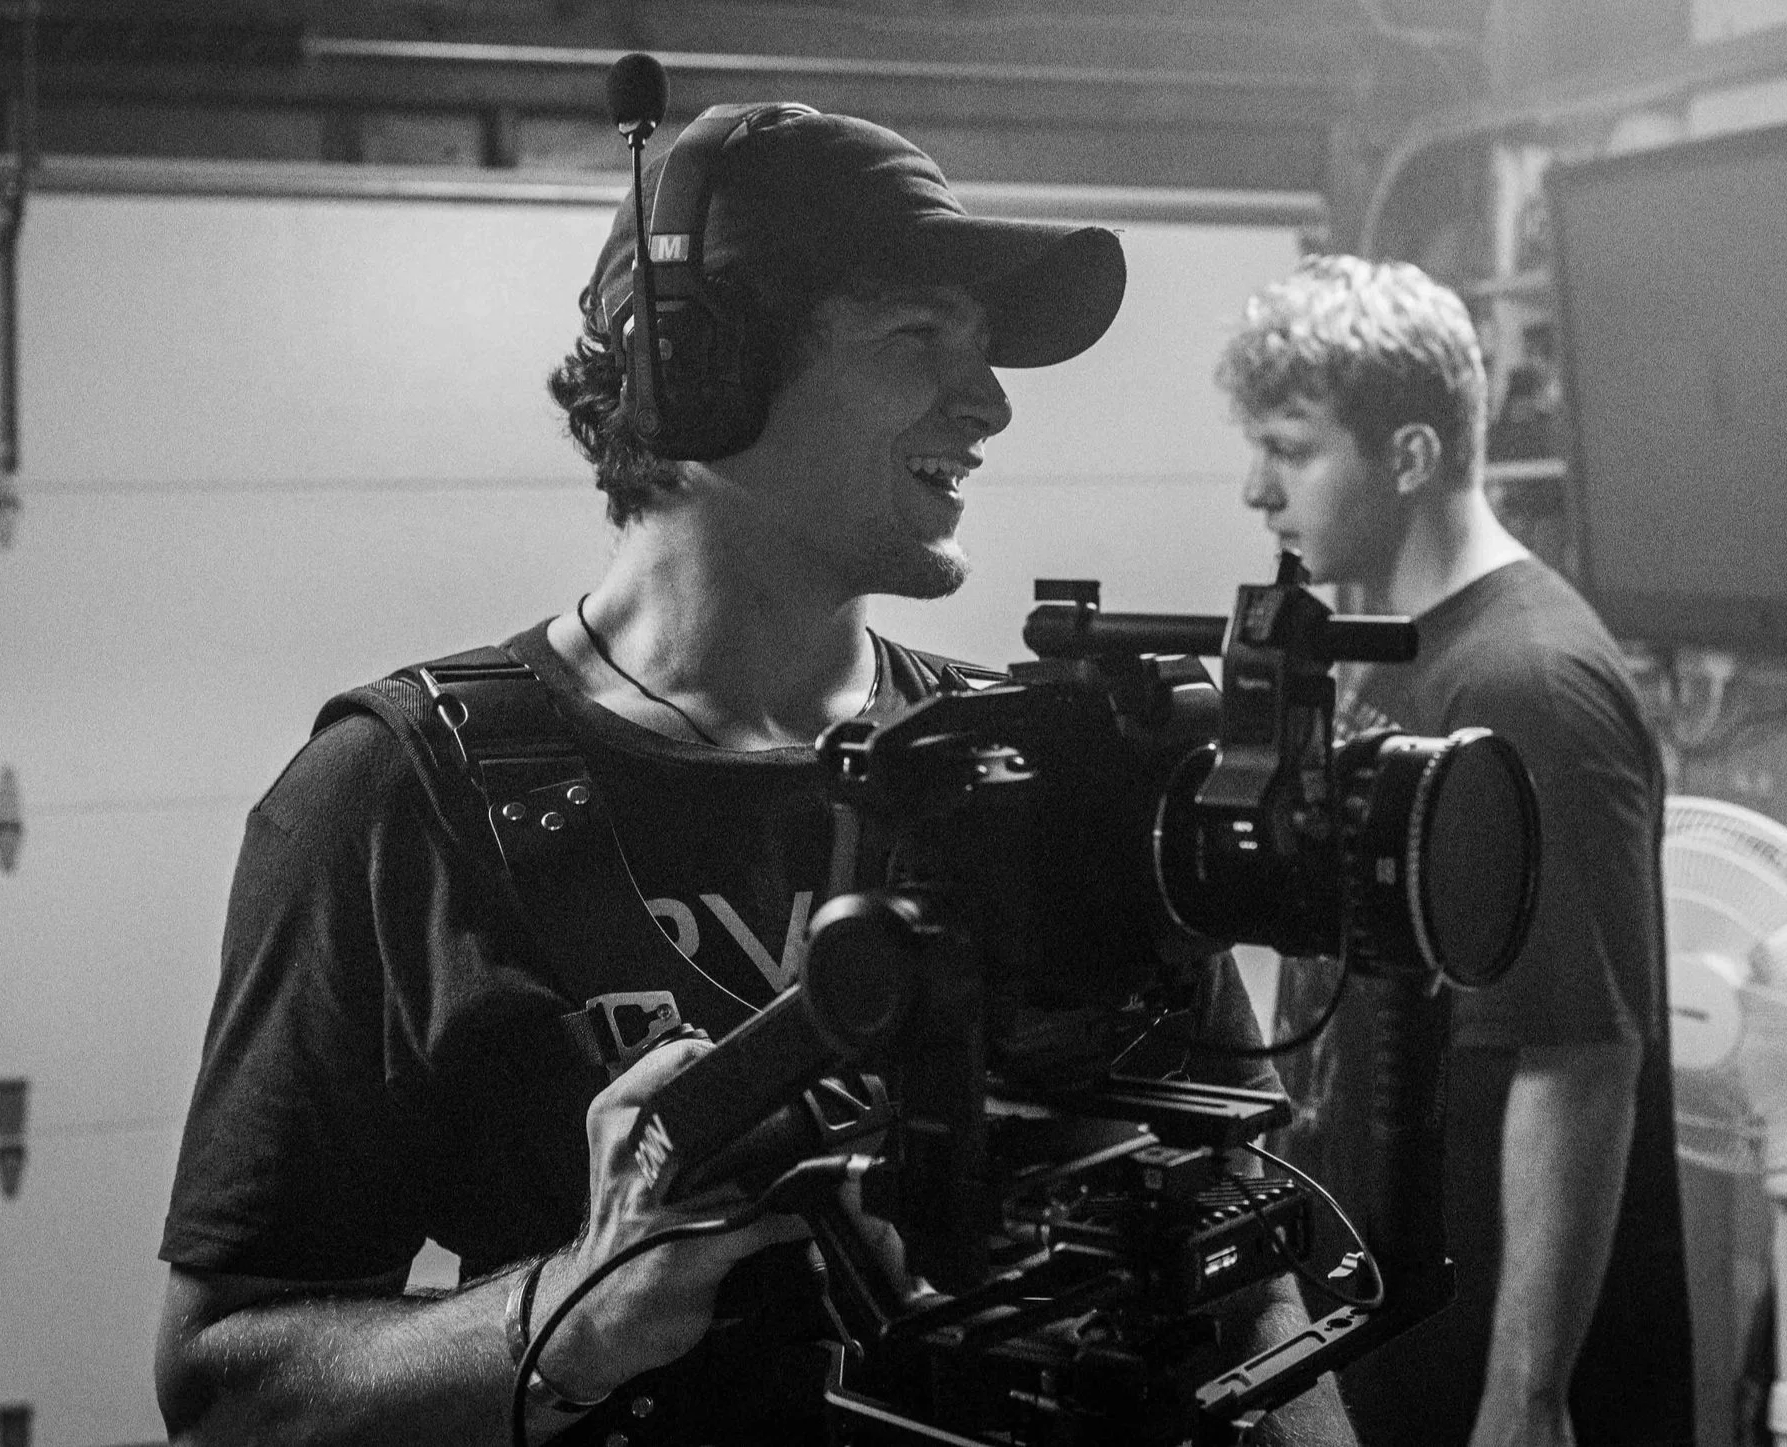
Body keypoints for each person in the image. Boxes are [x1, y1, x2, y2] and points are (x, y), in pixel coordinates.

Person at [152, 103, 1358, 1446]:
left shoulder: (1054, 776)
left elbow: (1256, 1295)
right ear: (698, 367)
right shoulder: (389, 799)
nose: (990, 399)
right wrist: (567, 1314)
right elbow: (224, 1390)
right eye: (917, 336)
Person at [1218, 254, 1695, 1447]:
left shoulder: (1525, 680)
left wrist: (1522, 1396)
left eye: (1289, 448)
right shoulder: (1392, 639)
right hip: (1384, 1308)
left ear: (1412, 456)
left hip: (1480, 1346)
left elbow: (1579, 1056)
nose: (1253, 490)